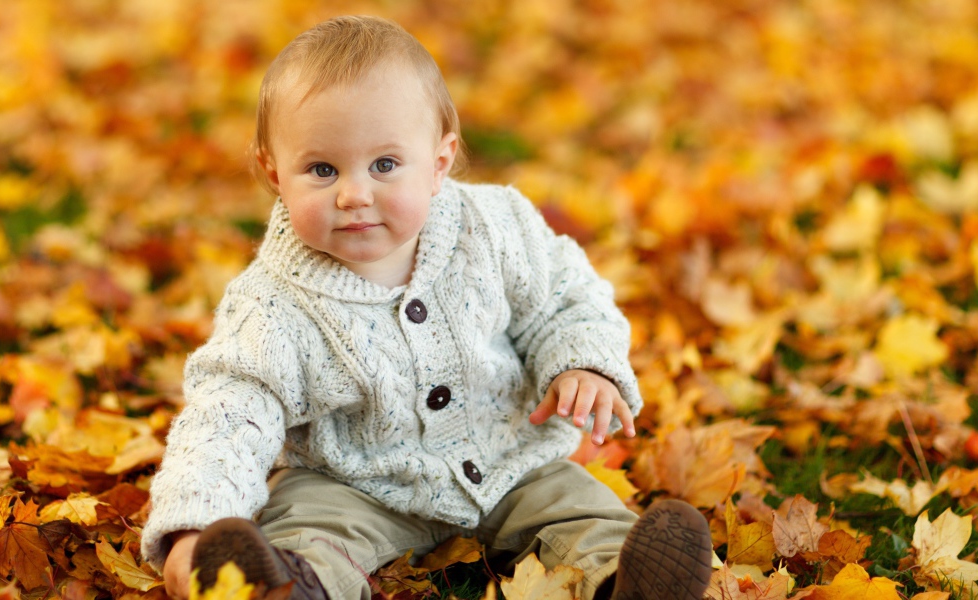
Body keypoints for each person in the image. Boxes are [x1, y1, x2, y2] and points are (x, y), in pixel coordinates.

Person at [140, 15, 712, 600]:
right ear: (273, 172)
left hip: (509, 461)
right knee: (311, 530)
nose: (354, 194)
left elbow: (565, 297)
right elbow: (229, 413)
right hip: (355, 484)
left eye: (385, 165)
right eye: (321, 169)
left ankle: (625, 581)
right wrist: (194, 525)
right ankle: (289, 587)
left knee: (580, 510)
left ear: (439, 162)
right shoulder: (272, 303)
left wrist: (581, 363)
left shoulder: (493, 228)